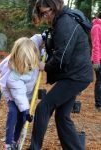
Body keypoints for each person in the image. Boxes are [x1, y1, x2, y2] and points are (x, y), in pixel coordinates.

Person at [28, 0, 93, 150]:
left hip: (75, 76)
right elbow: (62, 47)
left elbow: (62, 57)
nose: (45, 17)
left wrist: (46, 66)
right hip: (75, 74)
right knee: (62, 116)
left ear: (54, 6)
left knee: (43, 107)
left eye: (46, 13)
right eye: (42, 14)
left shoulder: (65, 22)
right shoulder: (62, 20)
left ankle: (34, 148)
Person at [0, 35, 43, 150]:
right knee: (14, 112)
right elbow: (19, 94)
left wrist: (45, 36)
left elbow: (37, 39)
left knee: (22, 118)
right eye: (25, 63)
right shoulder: (13, 75)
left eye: (30, 62)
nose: (28, 65)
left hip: (26, 91)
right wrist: (26, 111)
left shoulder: (31, 47)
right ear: (18, 58)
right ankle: (8, 143)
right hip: (13, 93)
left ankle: (15, 140)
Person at [91, 11, 101, 112]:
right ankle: (98, 104)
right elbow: (96, 44)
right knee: (100, 82)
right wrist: (96, 60)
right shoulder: (97, 27)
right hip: (99, 59)